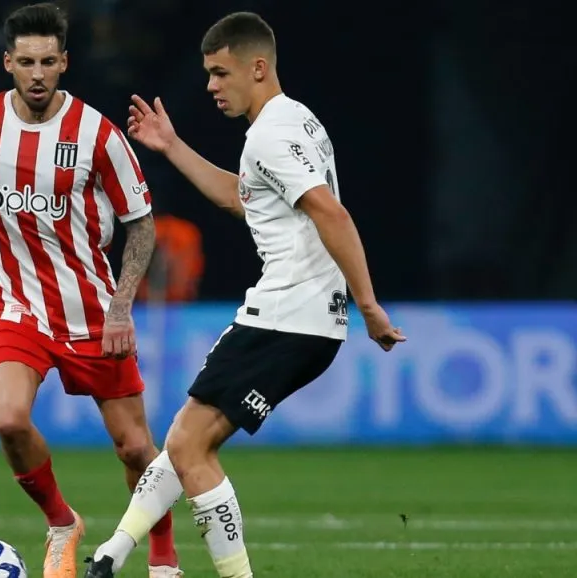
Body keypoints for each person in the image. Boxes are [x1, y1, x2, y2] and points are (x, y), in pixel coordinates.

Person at [84, 12, 407, 578]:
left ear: (257, 68)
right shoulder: (296, 122)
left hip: (287, 314)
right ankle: (112, 556)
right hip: (303, 321)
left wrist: (370, 303)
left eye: (219, 73)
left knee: (189, 448)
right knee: (187, 435)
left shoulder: (272, 135)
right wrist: (172, 146)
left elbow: (330, 212)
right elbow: (243, 198)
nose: (210, 85)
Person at [0, 4, 182, 578]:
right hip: (13, 305)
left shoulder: (97, 134)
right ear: (8, 62)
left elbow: (140, 222)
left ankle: (163, 558)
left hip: (90, 309)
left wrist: (120, 307)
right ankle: (62, 521)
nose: (37, 74)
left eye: (48, 62)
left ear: (64, 63)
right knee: (9, 420)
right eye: (26, 62)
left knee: (136, 448)